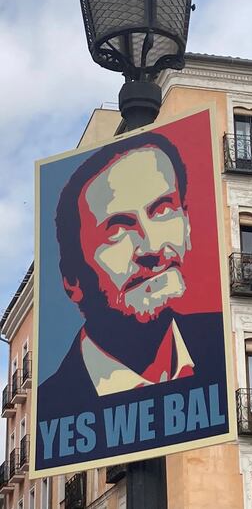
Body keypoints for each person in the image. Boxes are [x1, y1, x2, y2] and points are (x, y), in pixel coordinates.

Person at [37, 131, 225, 420]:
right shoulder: (51, 407)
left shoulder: (221, 344)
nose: (151, 246)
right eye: (117, 230)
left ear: (186, 223)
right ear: (72, 281)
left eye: (162, 209)